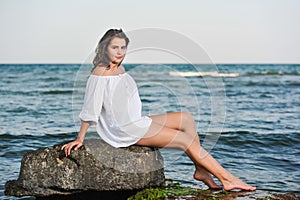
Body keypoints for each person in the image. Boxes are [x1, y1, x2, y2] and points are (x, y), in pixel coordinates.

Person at [62, 29, 256, 191]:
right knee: (184, 140)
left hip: (135, 120)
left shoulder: (119, 68)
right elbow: (91, 108)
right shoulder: (100, 72)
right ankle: (227, 179)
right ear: (105, 48)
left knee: (185, 118)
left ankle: (201, 171)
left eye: (123, 47)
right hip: (123, 129)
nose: (120, 52)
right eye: (115, 47)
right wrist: (80, 138)